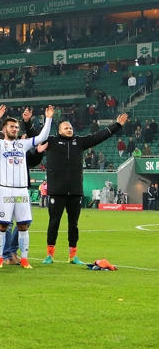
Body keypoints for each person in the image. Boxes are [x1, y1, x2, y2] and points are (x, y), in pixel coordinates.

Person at [37, 112, 126, 265]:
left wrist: (116, 125)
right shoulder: (50, 141)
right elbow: (34, 136)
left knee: (74, 225)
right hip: (57, 191)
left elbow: (99, 136)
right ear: (59, 131)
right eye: (66, 128)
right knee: (54, 223)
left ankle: (73, 255)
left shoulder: (80, 142)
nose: (69, 129)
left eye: (70, 127)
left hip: (75, 191)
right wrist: (27, 121)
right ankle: (50, 255)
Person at [0, 102, 54, 269]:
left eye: (16, 127)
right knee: (3, 225)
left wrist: (48, 119)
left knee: (23, 225)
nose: (15, 129)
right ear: (4, 129)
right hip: (5, 189)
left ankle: (24, 259)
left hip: (22, 190)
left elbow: (41, 138)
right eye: (11, 126)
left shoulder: (22, 145)